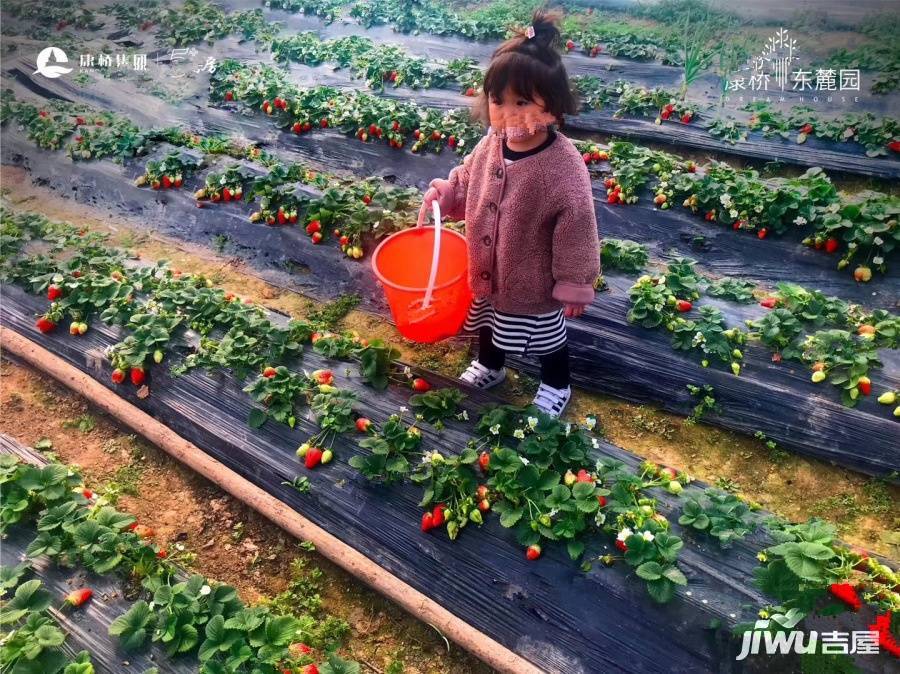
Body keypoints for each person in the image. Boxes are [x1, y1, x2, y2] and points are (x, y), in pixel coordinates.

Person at [417, 8, 600, 418]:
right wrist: (449, 194)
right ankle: (490, 365)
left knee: (545, 337)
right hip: (487, 268)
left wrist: (573, 280)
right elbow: (470, 178)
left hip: (532, 279)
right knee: (488, 320)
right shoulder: (492, 144)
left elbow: (578, 226)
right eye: (498, 101)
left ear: (552, 106)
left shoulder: (562, 166)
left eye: (522, 102)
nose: (507, 113)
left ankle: (556, 384)